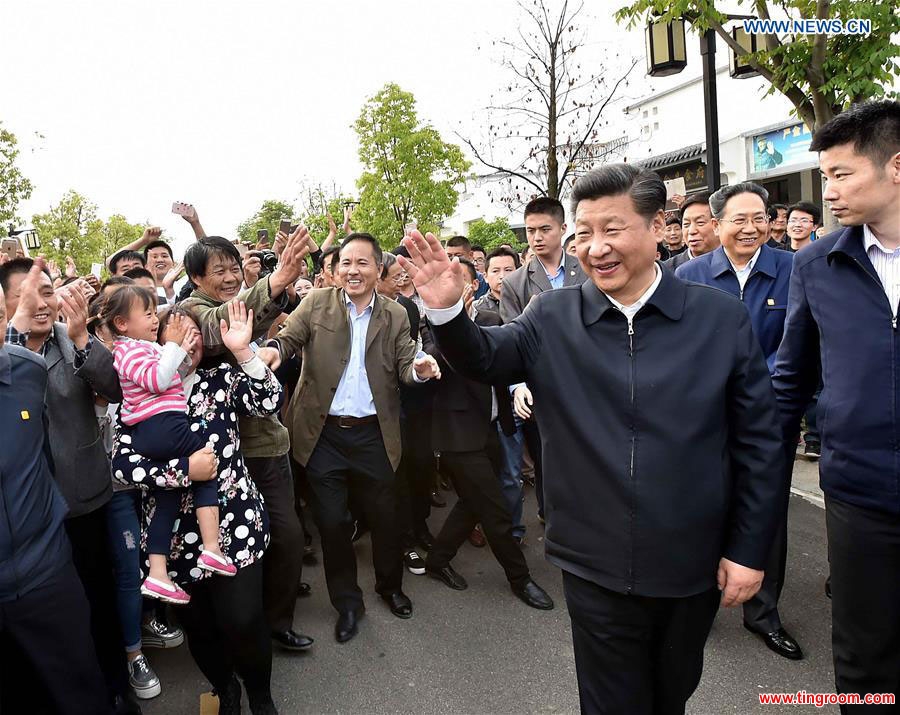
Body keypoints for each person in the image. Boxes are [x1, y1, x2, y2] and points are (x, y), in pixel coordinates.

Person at [400, 163, 784, 714]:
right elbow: (486, 357)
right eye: (584, 233)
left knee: (671, 690)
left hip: (688, 557)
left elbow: (759, 444)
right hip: (590, 555)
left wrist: (748, 550)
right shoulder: (552, 315)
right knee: (609, 700)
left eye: (612, 229)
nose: (596, 248)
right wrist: (446, 310)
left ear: (656, 227)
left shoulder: (718, 318)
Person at [772, 100, 900, 713]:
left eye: (842, 174)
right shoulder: (816, 265)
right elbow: (789, 382)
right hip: (860, 496)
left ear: (896, 167)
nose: (829, 192)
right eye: (824, 177)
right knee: (865, 656)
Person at [268, 233, 440, 643]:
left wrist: (421, 369)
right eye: (346, 262)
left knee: (386, 518)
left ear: (379, 268)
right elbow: (288, 338)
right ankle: (347, 603)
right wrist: (273, 351)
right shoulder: (317, 304)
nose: (353, 270)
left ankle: (390, 587)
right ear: (334, 268)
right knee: (331, 523)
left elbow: (404, 363)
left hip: (375, 435)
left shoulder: (396, 314)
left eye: (363, 262)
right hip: (323, 435)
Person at [113, 303, 283, 715]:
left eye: (193, 334)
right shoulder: (135, 397)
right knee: (200, 627)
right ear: (157, 341)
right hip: (171, 541)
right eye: (174, 332)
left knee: (243, 619)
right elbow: (122, 465)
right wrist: (182, 471)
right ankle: (226, 689)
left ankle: (261, 694)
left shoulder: (220, 380)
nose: (185, 341)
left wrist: (244, 352)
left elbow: (268, 400)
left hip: (233, 525)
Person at [2, 257, 136, 711]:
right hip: (25, 523)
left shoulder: (70, 338)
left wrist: (82, 339)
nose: (41, 304)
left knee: (97, 604)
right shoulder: (5, 357)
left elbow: (114, 388)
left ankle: (115, 687)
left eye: (46, 292)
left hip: (82, 500)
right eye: (26, 295)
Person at [676, 182, 801, 661]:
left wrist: (760, 393)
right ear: (717, 224)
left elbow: (799, 348)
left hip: (772, 418)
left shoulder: (794, 269)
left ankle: (763, 613)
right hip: (706, 419)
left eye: (759, 218)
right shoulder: (689, 275)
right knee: (703, 509)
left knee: (765, 511)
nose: (750, 228)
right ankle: (698, 606)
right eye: (738, 219)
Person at [180, 230, 313, 652]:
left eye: (235, 267)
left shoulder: (253, 301)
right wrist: (273, 284)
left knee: (289, 536)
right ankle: (243, 627)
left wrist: (280, 297)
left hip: (267, 443)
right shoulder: (190, 311)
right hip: (223, 460)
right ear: (197, 278)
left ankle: (277, 621)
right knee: (241, 545)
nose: (231, 275)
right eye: (218, 270)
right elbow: (219, 326)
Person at [424, 258, 553, 610]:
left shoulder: (491, 320)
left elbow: (507, 362)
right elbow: (432, 359)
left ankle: (437, 559)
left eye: (461, 281)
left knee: (472, 503)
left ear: (473, 284)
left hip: (495, 428)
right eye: (448, 281)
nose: (455, 287)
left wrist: (518, 388)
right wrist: (451, 325)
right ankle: (520, 579)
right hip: (458, 437)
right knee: (495, 511)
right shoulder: (431, 325)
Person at [106, 285, 236, 604]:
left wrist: (179, 349)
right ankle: (212, 549)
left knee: (167, 503)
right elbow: (158, 380)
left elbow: (171, 375)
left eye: (154, 312)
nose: (154, 319)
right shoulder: (128, 350)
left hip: (159, 429)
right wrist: (173, 345)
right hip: (162, 426)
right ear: (122, 323)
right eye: (148, 313)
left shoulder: (143, 347)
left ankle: (158, 576)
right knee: (207, 466)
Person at [500, 197, 586, 524]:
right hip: (540, 386)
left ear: (563, 229)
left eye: (544, 229)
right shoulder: (515, 283)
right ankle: (552, 519)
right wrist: (518, 385)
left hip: (585, 380)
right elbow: (513, 340)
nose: (536, 237)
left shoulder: (587, 269)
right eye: (530, 230)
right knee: (545, 459)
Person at [662, 193, 719, 271]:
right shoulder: (668, 270)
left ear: (717, 225)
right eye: (686, 224)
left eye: (700, 222)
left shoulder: (736, 262)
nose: (691, 231)